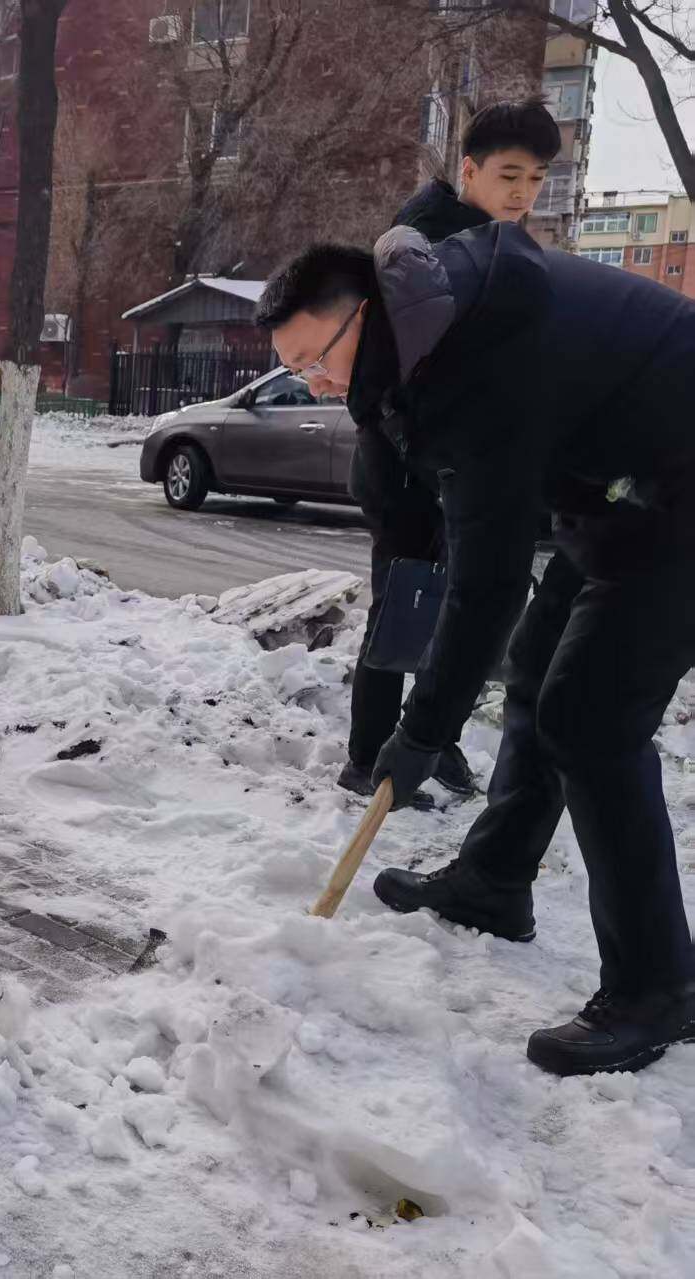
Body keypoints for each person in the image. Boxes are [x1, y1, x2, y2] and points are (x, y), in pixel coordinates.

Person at [254, 224, 695, 1077]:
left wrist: (422, 733)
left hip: (680, 488)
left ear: (361, 316)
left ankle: (659, 986)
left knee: (591, 719)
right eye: (295, 367)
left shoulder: (477, 357)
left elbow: (487, 582)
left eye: (316, 357)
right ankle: (494, 879)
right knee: (538, 669)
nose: (313, 380)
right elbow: (431, 517)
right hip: (621, 479)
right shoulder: (418, 334)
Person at [340, 98, 562, 803]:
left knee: (451, 609)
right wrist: (417, 445)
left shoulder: (503, 244)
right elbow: (370, 378)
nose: (523, 193)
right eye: (509, 175)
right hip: (404, 466)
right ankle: (367, 751)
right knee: (399, 604)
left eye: (536, 178)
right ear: (469, 169)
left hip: (461, 467)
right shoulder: (417, 240)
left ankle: (435, 740)